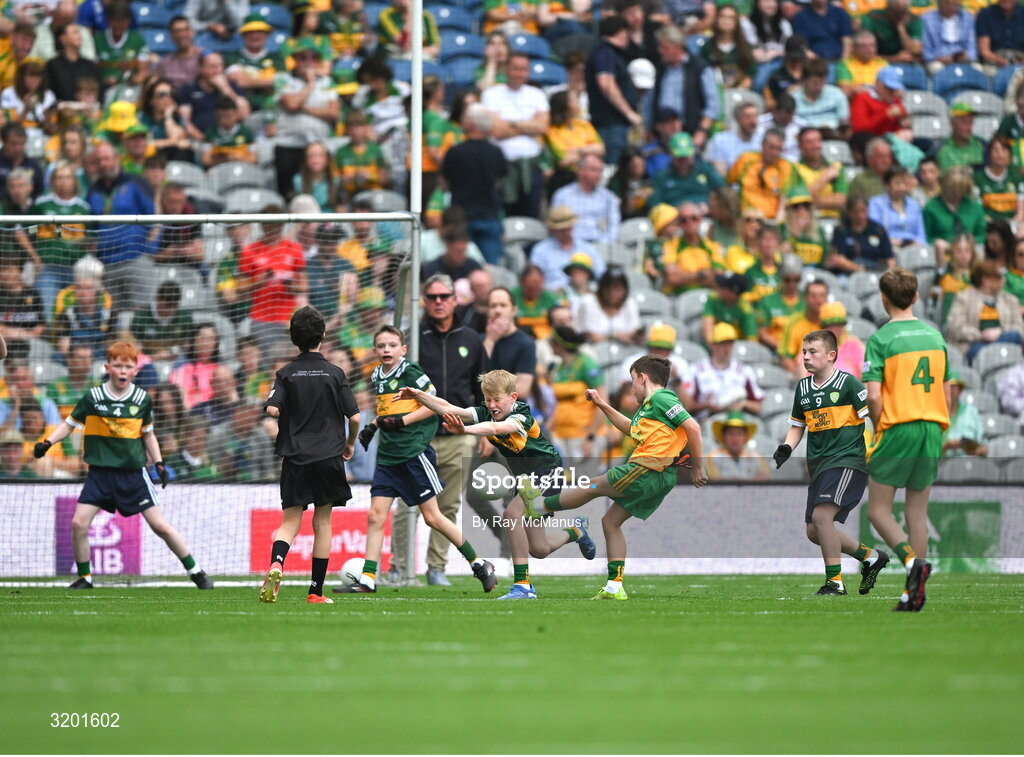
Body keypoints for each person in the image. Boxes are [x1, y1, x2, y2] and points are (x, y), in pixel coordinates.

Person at [520, 355, 707, 600]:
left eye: (633, 380)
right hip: (661, 475)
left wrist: (698, 467)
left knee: (593, 485)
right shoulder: (651, 408)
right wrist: (601, 403)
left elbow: (693, 427)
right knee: (610, 522)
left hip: (647, 468)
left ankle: (540, 507)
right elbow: (630, 428)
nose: (631, 387)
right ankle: (614, 586)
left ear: (643, 377)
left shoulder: (661, 397)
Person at [399, 368, 597, 600]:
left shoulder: (521, 415)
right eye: (487, 399)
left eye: (496, 399)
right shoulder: (486, 412)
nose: (491, 405)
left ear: (512, 398)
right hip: (525, 479)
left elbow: (496, 429)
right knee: (539, 549)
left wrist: (465, 430)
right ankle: (575, 531)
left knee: (511, 514)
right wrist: (419, 396)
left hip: (547, 471)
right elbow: (451, 409)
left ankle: (523, 586)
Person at [33, 341, 213, 591]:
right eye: (118, 365)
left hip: (132, 474)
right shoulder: (93, 397)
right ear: (108, 367)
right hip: (100, 474)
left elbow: (148, 434)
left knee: (160, 525)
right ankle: (85, 578)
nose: (123, 371)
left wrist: (159, 463)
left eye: (128, 366)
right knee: (78, 524)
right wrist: (47, 443)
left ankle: (197, 572)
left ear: (135, 371)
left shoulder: (142, 399)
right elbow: (69, 424)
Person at [335, 325, 498, 594]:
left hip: (413, 453)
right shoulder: (377, 374)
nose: (386, 349)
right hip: (388, 457)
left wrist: (402, 421)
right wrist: (374, 425)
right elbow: (388, 409)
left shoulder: (410, 371)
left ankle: (479, 563)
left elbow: (433, 401)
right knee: (376, 515)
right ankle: (367, 579)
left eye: (392, 344)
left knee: (433, 517)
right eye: (381, 345)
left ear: (403, 349)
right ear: (374, 351)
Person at [257, 307, 361, 605]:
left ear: (293, 338)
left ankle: (277, 563)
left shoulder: (285, 374)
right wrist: (349, 445)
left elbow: (272, 409)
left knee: (290, 522)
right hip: (329, 456)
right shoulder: (335, 373)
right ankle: (315, 591)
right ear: (323, 335)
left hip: (295, 456)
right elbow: (354, 418)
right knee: (323, 522)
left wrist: (285, 408)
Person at [772, 329, 886, 597]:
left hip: (847, 460)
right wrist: (787, 446)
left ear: (831, 355)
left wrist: (883, 448)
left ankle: (834, 582)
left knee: (822, 517)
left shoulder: (849, 384)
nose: (806, 357)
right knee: (815, 530)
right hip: (820, 465)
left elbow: (875, 416)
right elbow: (798, 426)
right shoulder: (803, 388)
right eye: (804, 352)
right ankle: (870, 557)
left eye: (813, 352)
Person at [862, 267, 949, 611]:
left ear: (884, 300)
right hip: (932, 426)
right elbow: (947, 388)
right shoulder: (935, 336)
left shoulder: (881, 338)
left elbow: (872, 396)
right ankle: (914, 593)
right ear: (915, 297)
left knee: (878, 511)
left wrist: (881, 426)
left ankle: (913, 564)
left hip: (899, 425)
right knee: (917, 513)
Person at [481, 52, 549, 218]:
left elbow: (543, 127)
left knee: (531, 214)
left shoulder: (537, 95)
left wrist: (511, 123)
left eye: (524, 69)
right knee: (504, 213)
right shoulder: (491, 94)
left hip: (531, 166)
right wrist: (528, 124)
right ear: (506, 69)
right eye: (516, 69)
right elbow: (496, 130)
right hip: (502, 167)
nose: (520, 74)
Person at [441, 104, 507, 265]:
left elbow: (444, 184)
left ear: (471, 124)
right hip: (490, 217)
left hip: (461, 220)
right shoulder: (496, 152)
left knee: (460, 266)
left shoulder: (456, 152)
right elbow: (499, 183)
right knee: (491, 268)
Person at [649, 25, 719, 149]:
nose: (660, 51)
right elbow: (650, 101)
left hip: (690, 136)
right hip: (662, 138)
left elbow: (713, 104)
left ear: (678, 47)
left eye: (665, 47)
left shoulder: (699, 68)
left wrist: (701, 131)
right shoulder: (661, 69)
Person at [585, 16, 641, 165]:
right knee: (613, 166)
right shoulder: (605, 52)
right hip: (610, 124)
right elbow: (606, 84)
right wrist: (629, 113)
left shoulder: (608, 53)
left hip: (614, 124)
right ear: (621, 32)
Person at [946, 260, 1024, 363]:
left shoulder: (1010, 300)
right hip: (975, 344)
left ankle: (991, 353)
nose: (1004, 280)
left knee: (1013, 336)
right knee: (977, 350)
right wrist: (981, 335)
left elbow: (1020, 327)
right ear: (986, 280)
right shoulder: (963, 298)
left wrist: (1000, 332)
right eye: (999, 277)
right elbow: (955, 327)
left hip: (1006, 343)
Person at [689, 323, 765, 420]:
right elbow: (688, 406)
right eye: (722, 343)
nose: (726, 348)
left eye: (730, 343)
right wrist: (706, 406)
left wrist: (743, 404)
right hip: (706, 421)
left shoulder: (744, 371)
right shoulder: (696, 369)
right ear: (713, 345)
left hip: (736, 422)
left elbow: (758, 406)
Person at [727, 128, 803, 222]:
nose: (775, 153)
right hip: (746, 219)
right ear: (762, 145)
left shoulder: (785, 166)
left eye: (779, 149)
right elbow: (727, 184)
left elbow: (784, 200)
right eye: (771, 147)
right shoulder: (746, 159)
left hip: (771, 221)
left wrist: (777, 225)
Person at [550, 154, 621, 246]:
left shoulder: (609, 197)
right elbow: (556, 225)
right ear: (580, 171)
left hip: (600, 246)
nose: (598, 174)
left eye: (600, 171)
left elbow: (614, 227)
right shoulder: (562, 195)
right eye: (593, 170)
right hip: (569, 245)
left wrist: (603, 245)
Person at [530, 206, 605, 291]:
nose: (566, 232)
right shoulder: (540, 250)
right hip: (551, 297)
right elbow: (534, 279)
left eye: (568, 228)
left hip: (583, 296)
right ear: (552, 230)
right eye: (561, 229)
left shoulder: (587, 248)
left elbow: (601, 276)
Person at [923, 167, 987, 264]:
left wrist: (973, 240)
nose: (956, 193)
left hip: (970, 251)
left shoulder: (975, 207)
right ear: (944, 187)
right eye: (953, 189)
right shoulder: (931, 207)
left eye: (960, 190)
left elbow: (982, 234)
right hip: (942, 251)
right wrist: (937, 242)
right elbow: (926, 236)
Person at [483, 287, 537, 398]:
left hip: (513, 411)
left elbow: (522, 389)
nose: (497, 311)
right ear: (487, 311)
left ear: (514, 310)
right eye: (493, 306)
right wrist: (490, 341)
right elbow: (473, 377)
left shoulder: (526, 343)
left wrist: (486, 389)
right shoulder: (478, 340)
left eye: (503, 305)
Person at [649, 132, 726, 210]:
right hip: (674, 217)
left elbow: (723, 191)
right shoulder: (662, 176)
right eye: (679, 158)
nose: (683, 161)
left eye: (686, 157)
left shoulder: (704, 169)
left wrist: (710, 206)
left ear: (692, 154)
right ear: (670, 154)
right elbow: (655, 205)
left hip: (704, 214)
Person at [829, 194, 895, 273]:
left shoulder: (878, 230)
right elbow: (837, 258)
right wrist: (858, 269)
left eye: (863, 211)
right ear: (849, 212)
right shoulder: (841, 231)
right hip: (849, 272)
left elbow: (890, 258)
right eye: (856, 212)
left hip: (876, 270)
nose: (860, 215)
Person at [778, 279, 830, 375]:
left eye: (822, 296)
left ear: (827, 298)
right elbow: (785, 359)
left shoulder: (833, 323)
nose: (818, 300)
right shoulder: (794, 324)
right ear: (805, 298)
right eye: (813, 296)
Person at [868, 167, 927, 247]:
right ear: (887, 185)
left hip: (913, 247)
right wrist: (892, 242)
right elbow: (874, 231)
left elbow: (921, 233)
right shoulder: (876, 203)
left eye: (904, 183)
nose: (902, 188)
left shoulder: (914, 204)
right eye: (897, 183)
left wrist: (918, 243)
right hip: (889, 246)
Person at [757, 253, 804, 350]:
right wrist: (783, 347)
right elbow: (762, 332)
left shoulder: (807, 299)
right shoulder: (767, 301)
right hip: (775, 350)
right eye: (787, 280)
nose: (792, 284)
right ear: (781, 278)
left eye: (796, 279)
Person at [793, 58, 849, 139]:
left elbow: (844, 122)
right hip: (806, 139)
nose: (818, 86)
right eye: (814, 82)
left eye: (821, 81)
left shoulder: (837, 94)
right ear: (804, 80)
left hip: (834, 137)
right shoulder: (794, 99)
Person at [706, 411, 770, 481]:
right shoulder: (713, 457)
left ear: (745, 436)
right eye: (731, 434)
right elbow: (716, 484)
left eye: (739, 434)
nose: (735, 439)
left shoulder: (758, 459)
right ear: (724, 436)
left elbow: (765, 482)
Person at [975, 137, 1024, 225]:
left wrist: (1010, 226)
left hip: (1014, 226)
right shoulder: (978, 178)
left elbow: (1021, 213)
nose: (1001, 155)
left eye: (1004, 150)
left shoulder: (1016, 177)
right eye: (996, 150)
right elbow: (979, 213)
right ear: (989, 154)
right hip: (989, 227)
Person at [850, 66, 909, 137]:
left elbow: (903, 126)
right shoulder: (862, 98)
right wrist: (885, 115)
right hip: (870, 140)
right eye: (888, 87)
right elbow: (861, 131)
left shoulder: (896, 101)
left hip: (892, 139)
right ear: (878, 84)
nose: (892, 91)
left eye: (894, 89)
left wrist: (905, 123)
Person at [706, 102, 762, 177]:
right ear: (737, 119)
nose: (753, 121)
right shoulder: (721, 140)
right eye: (748, 117)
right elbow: (719, 174)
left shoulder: (763, 141)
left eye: (755, 116)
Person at [921, 0, 977, 73]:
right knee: (937, 69)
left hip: (962, 60)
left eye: (955, 5)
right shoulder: (926, 19)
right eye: (948, 5)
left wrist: (967, 56)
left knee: (977, 69)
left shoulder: (968, 18)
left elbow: (972, 46)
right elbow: (926, 50)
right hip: (938, 61)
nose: (952, 8)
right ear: (940, 4)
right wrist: (938, 58)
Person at [702, 272, 757, 344]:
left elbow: (751, 340)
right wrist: (714, 347)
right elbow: (708, 327)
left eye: (722, 286)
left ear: (733, 293)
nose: (718, 288)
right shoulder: (713, 298)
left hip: (736, 348)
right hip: (715, 344)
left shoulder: (746, 311)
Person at [942, 373, 988, 458]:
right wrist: (946, 446)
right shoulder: (935, 416)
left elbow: (983, 446)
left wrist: (977, 450)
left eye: (953, 387)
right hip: (943, 464)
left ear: (960, 391)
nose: (950, 390)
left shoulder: (971, 412)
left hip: (969, 462)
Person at [836, 30, 887, 98]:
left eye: (872, 45)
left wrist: (859, 88)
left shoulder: (882, 63)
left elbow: (893, 89)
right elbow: (845, 90)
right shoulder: (845, 64)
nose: (869, 49)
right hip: (856, 100)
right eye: (864, 46)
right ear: (854, 48)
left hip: (879, 102)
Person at [976, 0, 1024, 72]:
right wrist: (1001, 61)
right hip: (995, 61)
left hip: (1020, 59)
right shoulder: (986, 14)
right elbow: (985, 52)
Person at [820, 301, 865, 378]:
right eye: (832, 325)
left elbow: (865, 370)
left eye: (839, 324)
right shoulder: (813, 346)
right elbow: (803, 372)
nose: (836, 329)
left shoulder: (855, 344)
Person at [936, 103, 986, 172]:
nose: (969, 127)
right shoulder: (939, 148)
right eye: (964, 122)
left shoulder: (981, 144)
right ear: (952, 124)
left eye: (971, 122)